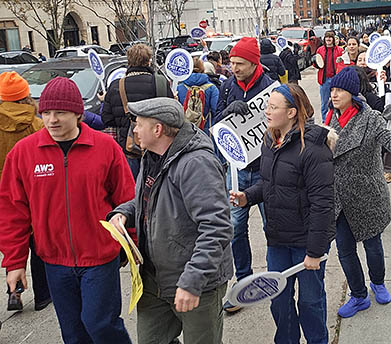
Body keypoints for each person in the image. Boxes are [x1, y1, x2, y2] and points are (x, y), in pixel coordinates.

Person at [0, 77, 135, 343]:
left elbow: (127, 198)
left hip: (99, 257)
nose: (52, 120)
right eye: (46, 112)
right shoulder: (23, 153)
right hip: (54, 260)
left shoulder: (105, 147)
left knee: (100, 324)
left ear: (77, 113)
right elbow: (13, 211)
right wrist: (15, 263)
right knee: (73, 334)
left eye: (60, 112)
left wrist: (133, 244)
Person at [108, 97, 233, 344]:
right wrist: (123, 212)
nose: (134, 130)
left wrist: (193, 280)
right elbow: (150, 201)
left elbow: (216, 227)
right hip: (154, 280)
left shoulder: (196, 164)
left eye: (139, 124)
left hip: (196, 282)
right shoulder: (152, 156)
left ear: (158, 129)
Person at [231, 84, 335, 344]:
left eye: (273, 107)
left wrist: (314, 251)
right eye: (267, 106)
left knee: (310, 302)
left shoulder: (314, 148)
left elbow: (323, 204)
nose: (266, 112)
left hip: (306, 243)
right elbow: (270, 184)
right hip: (277, 239)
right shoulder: (269, 141)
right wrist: (247, 196)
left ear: (291, 113)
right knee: (279, 301)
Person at [324, 67, 391, 318]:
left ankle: (378, 283)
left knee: (372, 245)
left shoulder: (371, 118)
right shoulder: (329, 118)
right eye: (332, 89)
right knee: (345, 249)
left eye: (339, 90)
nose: (334, 94)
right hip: (340, 198)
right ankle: (359, 295)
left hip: (367, 195)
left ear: (352, 93)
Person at [213, 37, 273, 313]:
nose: (234, 68)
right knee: (236, 229)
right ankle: (244, 281)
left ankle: (273, 278)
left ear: (254, 63)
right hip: (236, 172)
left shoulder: (271, 88)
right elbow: (216, 123)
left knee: (272, 228)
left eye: (240, 63)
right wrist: (227, 112)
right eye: (232, 63)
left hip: (265, 172)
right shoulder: (227, 87)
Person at [0, 71, 51, 312]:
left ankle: (14, 292)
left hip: (4, 194)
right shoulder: (37, 125)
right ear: (26, 96)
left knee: (11, 242)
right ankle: (42, 295)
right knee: (38, 243)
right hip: (33, 193)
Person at [102, 43, 173, 180]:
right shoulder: (160, 82)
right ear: (148, 61)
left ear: (129, 61)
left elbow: (107, 119)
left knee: (133, 187)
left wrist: (125, 121)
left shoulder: (117, 85)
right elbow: (169, 114)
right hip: (157, 145)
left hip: (129, 146)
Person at [177, 58, 219, 135]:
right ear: (203, 69)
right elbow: (215, 110)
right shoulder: (212, 88)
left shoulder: (179, 87)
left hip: (185, 130)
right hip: (205, 130)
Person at [314, 31, 343, 121]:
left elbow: (343, 64)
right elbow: (316, 63)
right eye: (327, 37)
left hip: (336, 79)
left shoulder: (339, 50)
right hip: (324, 80)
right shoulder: (320, 50)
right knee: (324, 102)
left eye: (330, 37)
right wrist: (316, 63)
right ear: (324, 39)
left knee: (338, 101)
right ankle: (325, 120)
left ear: (333, 39)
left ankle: (338, 119)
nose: (328, 39)